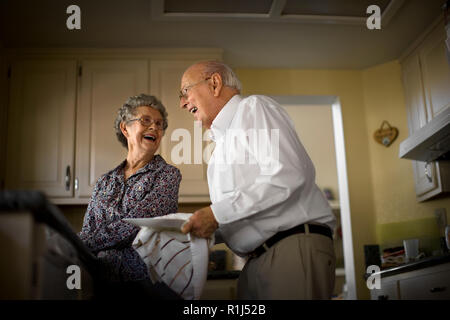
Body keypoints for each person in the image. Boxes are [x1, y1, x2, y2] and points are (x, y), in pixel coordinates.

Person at [179, 61, 336, 299]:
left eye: (185, 91)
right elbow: (241, 212)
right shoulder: (219, 146)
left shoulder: (252, 108)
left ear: (214, 83)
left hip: (289, 250)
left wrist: (215, 215)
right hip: (257, 262)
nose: (182, 103)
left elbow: (288, 174)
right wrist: (203, 230)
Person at [78, 94, 182, 299]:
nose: (154, 127)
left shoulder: (168, 175)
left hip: (146, 285)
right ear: (125, 128)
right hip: (102, 284)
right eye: (146, 121)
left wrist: (79, 243)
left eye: (159, 124)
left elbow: (138, 225)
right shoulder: (104, 181)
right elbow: (88, 230)